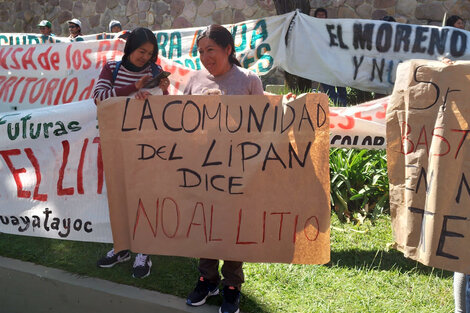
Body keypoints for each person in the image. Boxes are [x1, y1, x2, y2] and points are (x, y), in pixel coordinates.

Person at [183, 24, 263, 313]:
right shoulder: (193, 80)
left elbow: (264, 124)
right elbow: (178, 122)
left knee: (233, 225)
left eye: (211, 50)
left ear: (228, 49)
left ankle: (232, 285)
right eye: (201, 51)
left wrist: (286, 110)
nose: (205, 57)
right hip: (200, 172)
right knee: (204, 223)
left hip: (238, 171)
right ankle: (207, 278)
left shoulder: (249, 80)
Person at [93, 27, 171, 278]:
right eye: (141, 51)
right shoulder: (112, 67)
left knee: (145, 197)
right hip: (117, 144)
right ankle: (122, 247)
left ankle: (143, 251)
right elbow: (99, 98)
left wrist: (163, 90)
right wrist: (132, 89)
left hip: (147, 146)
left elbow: (165, 107)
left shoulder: (155, 71)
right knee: (120, 197)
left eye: (150, 53)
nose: (145, 57)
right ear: (130, 49)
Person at [313, 8, 347, 106]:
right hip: (323, 66)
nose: (321, 17)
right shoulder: (311, 30)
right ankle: (339, 107)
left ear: (326, 17)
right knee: (330, 90)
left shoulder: (332, 28)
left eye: (322, 15)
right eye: (318, 15)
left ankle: (344, 107)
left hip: (336, 64)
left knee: (341, 87)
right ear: (315, 17)